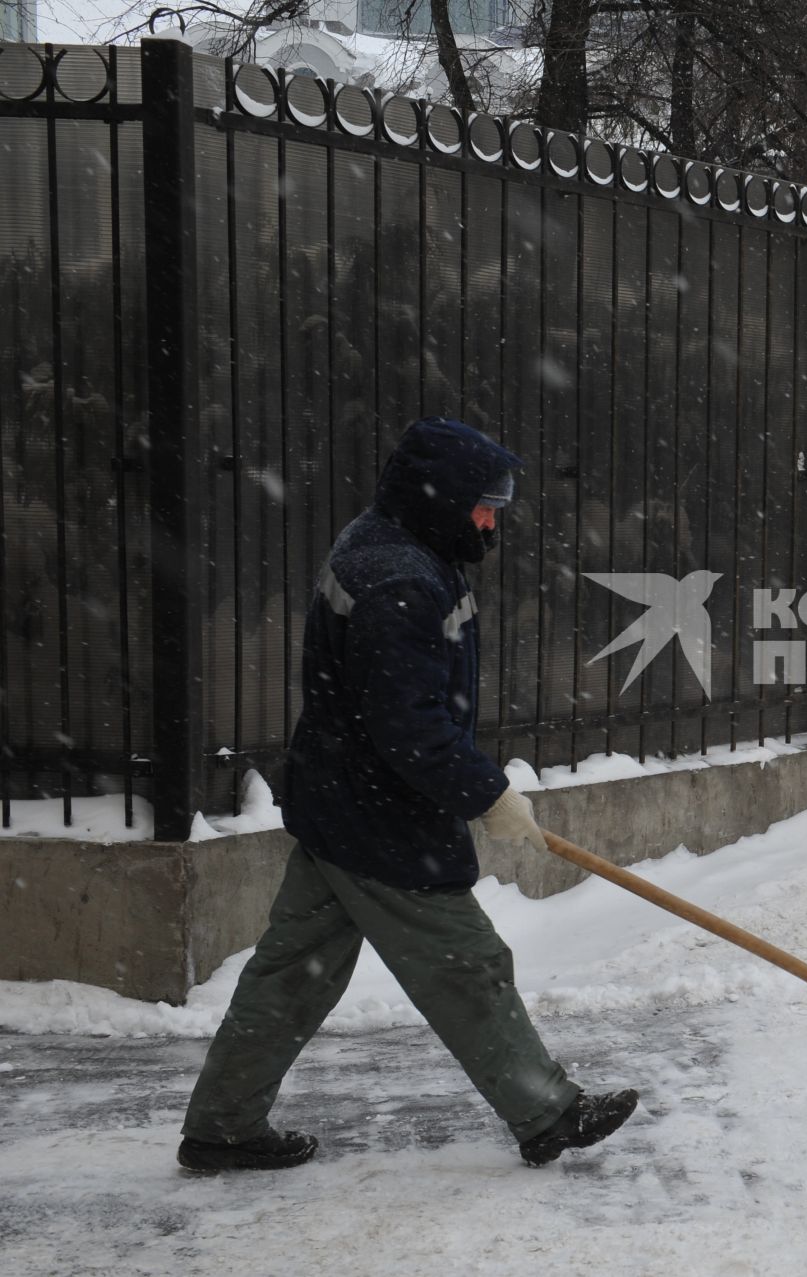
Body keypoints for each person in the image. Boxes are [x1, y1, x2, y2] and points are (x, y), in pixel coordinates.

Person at [177, 417, 639, 1174]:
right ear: (444, 499)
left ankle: (222, 1124)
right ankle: (546, 1111)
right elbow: (408, 726)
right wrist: (488, 794)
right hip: (377, 816)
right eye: (484, 505)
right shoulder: (398, 579)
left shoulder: (395, 542)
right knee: (466, 961)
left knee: (294, 971)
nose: (492, 520)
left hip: (339, 799)